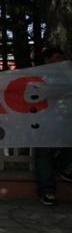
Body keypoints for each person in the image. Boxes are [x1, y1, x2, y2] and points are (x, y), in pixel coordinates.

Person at [34, 47, 72, 205]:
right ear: (47, 60)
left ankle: (62, 167)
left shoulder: (67, 76)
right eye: (57, 57)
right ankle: (47, 192)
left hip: (63, 122)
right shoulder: (37, 77)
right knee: (44, 156)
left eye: (61, 58)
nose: (60, 61)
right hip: (43, 123)